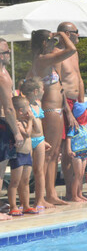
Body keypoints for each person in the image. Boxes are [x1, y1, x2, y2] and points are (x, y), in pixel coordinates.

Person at [29, 29, 76, 206]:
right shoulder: (42, 59)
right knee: (49, 155)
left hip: (55, 109)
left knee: (55, 153)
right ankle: (45, 196)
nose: (54, 44)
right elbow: (71, 49)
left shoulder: (43, 59)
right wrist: (62, 35)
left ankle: (51, 193)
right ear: (43, 43)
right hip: (50, 110)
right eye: (52, 41)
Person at [54, 22, 84, 200]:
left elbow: (78, 77)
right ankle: (68, 192)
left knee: (77, 147)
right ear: (67, 34)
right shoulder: (58, 54)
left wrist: (81, 104)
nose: (78, 35)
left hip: (77, 104)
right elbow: (58, 83)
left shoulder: (74, 53)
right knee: (66, 150)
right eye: (76, 32)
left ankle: (75, 191)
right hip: (65, 104)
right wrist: (68, 110)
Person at [19, 78, 51, 210]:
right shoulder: (25, 105)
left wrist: (44, 140)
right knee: (25, 173)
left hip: (39, 140)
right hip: (28, 140)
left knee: (40, 171)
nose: (44, 91)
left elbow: (40, 124)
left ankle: (40, 200)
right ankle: (23, 202)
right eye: (42, 89)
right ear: (36, 91)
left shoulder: (38, 104)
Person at [0, 38, 23, 216]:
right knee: (0, 170)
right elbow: (8, 108)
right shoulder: (2, 76)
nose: (9, 54)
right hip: (2, 124)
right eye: (6, 51)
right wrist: (17, 133)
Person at [8, 96, 36, 216]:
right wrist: (30, 120)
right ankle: (13, 206)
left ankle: (26, 205)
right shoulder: (17, 123)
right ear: (20, 111)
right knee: (15, 182)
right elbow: (27, 134)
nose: (29, 111)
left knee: (25, 181)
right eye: (28, 108)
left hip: (27, 154)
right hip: (18, 155)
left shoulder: (24, 121)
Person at [66, 95, 87, 202]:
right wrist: (68, 150)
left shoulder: (82, 126)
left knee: (81, 175)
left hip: (84, 154)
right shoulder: (74, 126)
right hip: (76, 153)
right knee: (77, 175)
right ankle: (74, 195)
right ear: (81, 115)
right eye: (85, 112)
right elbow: (69, 138)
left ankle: (79, 194)